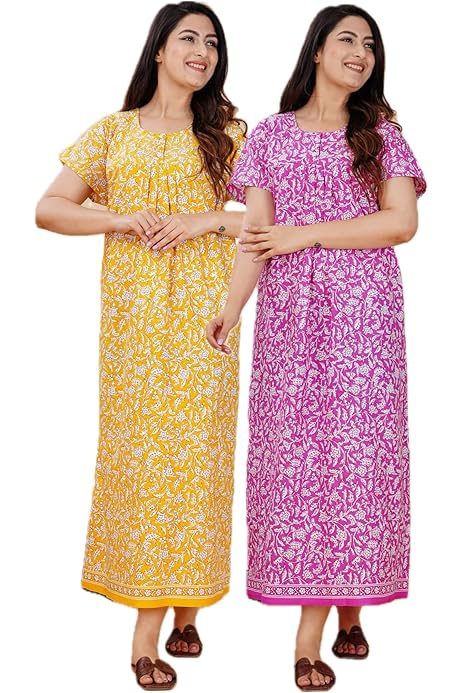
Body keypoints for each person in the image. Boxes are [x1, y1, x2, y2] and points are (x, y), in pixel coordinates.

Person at [206, 4, 425, 690]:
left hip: (364, 320)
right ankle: (341, 610)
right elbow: (256, 236)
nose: (361, 52)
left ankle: (322, 629)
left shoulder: (382, 134)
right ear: (318, 51)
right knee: (297, 464)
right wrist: (231, 307)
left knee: (359, 460)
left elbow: (400, 223)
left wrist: (308, 233)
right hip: (291, 323)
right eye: (347, 40)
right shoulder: (270, 135)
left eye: (371, 45)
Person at [35, 2, 246, 689]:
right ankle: (158, 623)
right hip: (133, 330)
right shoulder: (113, 132)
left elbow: (265, 221)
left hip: (206, 323)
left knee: (199, 462)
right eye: (189, 38)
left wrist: (204, 220)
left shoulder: (230, 135)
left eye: (212, 43)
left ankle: (182, 611)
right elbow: (49, 208)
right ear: (159, 49)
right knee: (144, 466)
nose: (202, 51)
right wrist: (122, 217)